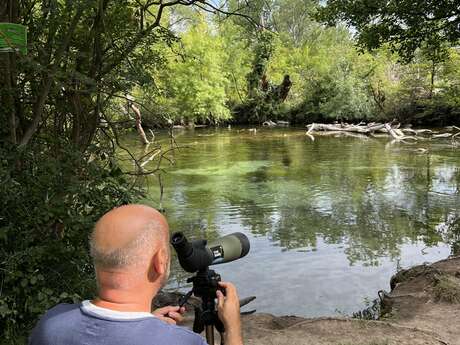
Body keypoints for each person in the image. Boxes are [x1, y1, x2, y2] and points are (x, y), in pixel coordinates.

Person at [29, 204, 244, 345]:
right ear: (159, 262)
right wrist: (232, 329)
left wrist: (148, 324)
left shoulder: (51, 324)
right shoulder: (182, 342)